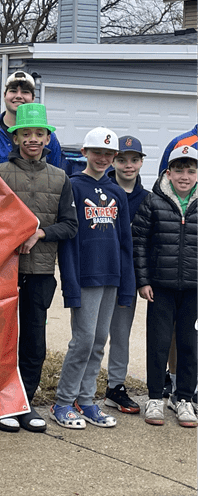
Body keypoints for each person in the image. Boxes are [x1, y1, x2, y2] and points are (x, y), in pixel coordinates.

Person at [0, 104, 77, 433]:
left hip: (40, 273)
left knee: (33, 343)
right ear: (15, 138)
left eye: (38, 134)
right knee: (3, 341)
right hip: (3, 271)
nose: (32, 139)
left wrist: (40, 232)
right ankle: (2, 404)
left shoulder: (60, 178)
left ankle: (24, 403)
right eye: (25, 133)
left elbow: (70, 226)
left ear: (47, 138)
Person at [53, 127, 133, 430]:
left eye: (109, 154)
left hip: (112, 276)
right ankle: (62, 401)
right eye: (97, 152)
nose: (103, 158)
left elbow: (125, 241)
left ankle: (85, 401)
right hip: (85, 276)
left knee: (99, 340)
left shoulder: (116, 192)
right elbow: (69, 239)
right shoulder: (72, 185)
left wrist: (127, 284)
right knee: (83, 340)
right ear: (85, 153)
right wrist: (70, 285)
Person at [134, 142, 198, 427]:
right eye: (179, 169)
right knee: (158, 343)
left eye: (190, 170)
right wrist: (144, 280)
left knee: (190, 344)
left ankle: (184, 399)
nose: (184, 175)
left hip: (196, 287)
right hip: (160, 285)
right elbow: (140, 242)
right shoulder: (154, 200)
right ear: (168, 172)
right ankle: (155, 397)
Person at [102, 135, 149, 415]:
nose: (128, 165)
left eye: (134, 160)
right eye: (122, 159)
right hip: (100, 273)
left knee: (120, 334)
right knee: (90, 336)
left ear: (142, 162)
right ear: (113, 161)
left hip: (127, 278)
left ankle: (115, 387)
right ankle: (78, 388)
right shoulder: (102, 190)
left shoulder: (148, 200)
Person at [0, 71, 63, 168]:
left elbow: (56, 176)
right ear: (4, 95)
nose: (18, 96)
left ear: (33, 98)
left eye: (25, 92)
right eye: (13, 91)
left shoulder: (47, 137)